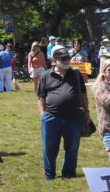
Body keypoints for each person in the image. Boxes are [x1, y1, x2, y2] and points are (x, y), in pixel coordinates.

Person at [37, 44, 90, 180]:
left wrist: (87, 111)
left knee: (72, 148)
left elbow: (84, 94)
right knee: (49, 149)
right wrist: (43, 115)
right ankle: (50, 175)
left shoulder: (76, 74)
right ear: (53, 61)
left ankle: (69, 173)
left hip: (74, 118)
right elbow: (41, 97)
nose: (66, 60)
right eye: (62, 58)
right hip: (51, 118)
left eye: (67, 57)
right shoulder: (45, 76)